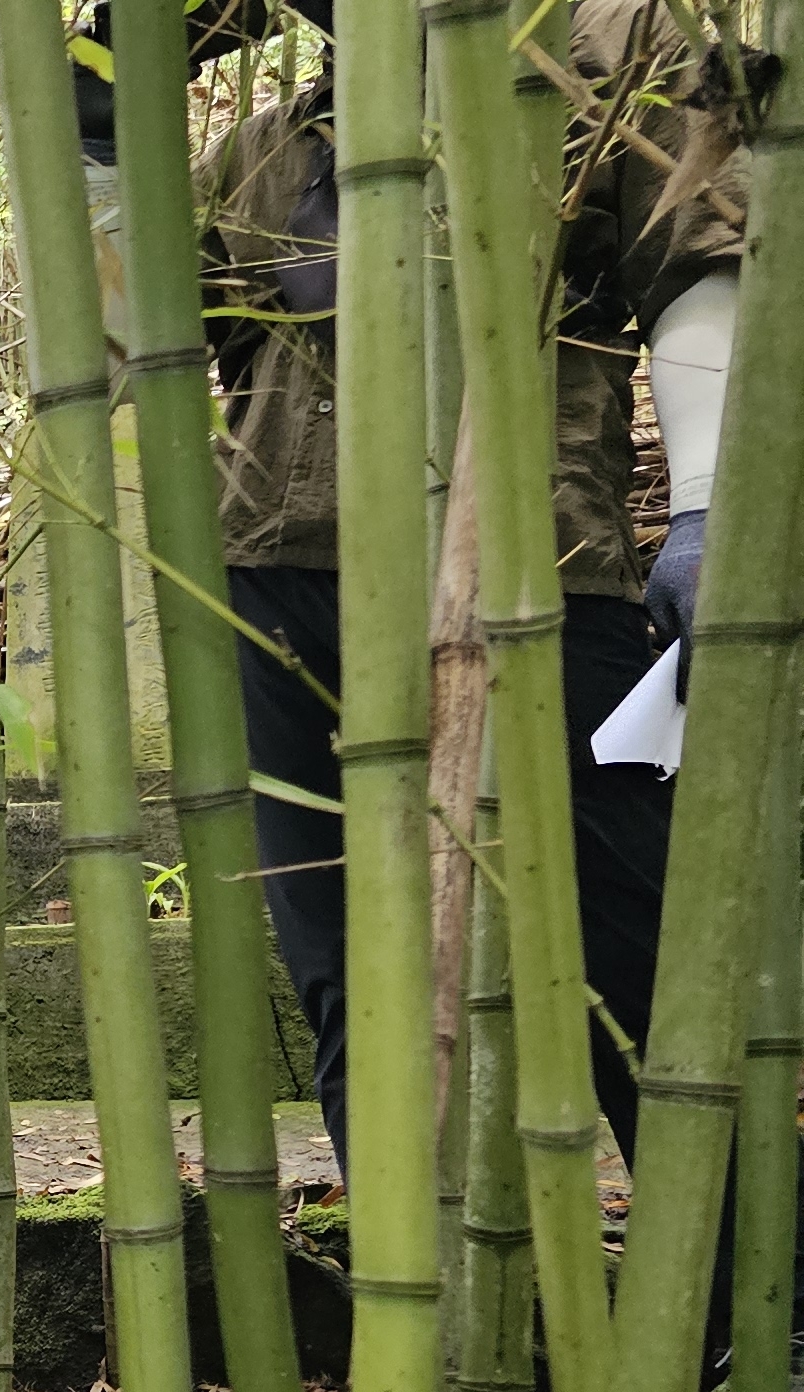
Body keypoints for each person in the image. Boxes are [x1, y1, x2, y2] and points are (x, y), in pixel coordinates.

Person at [84, 0, 742, 1161]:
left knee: (623, 944)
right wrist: (100, 128)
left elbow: (694, 267)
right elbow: (119, 347)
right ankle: (421, 1317)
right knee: (351, 966)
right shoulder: (266, 148)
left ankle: (735, 1306)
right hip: (284, 583)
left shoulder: (599, 47)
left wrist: (702, 506)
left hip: (528, 573)